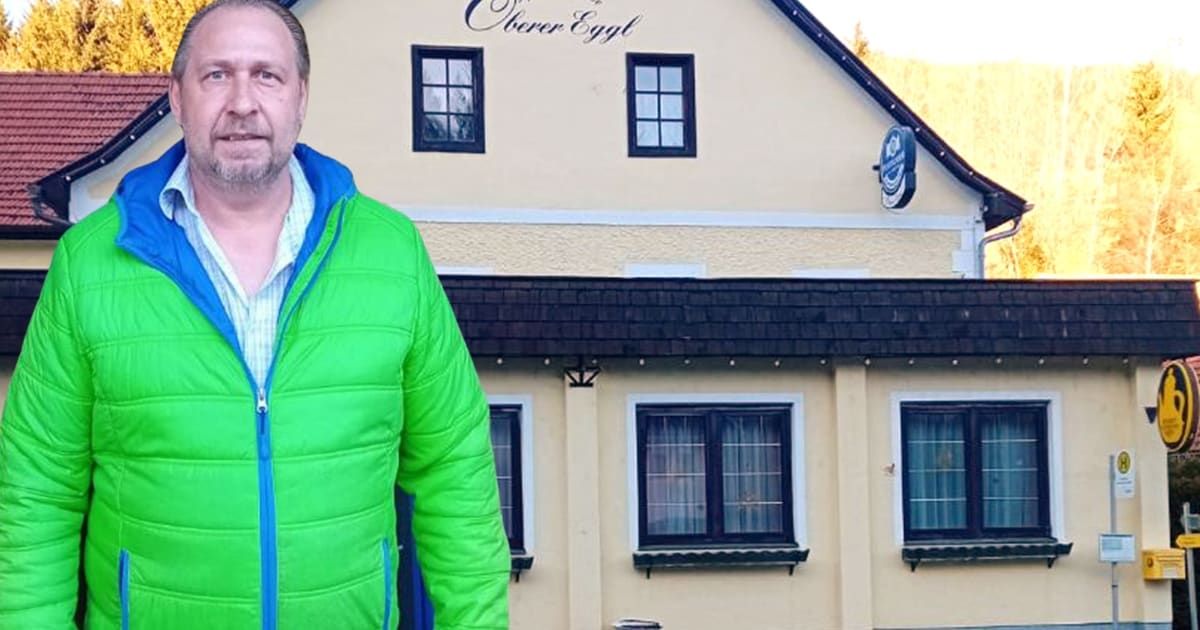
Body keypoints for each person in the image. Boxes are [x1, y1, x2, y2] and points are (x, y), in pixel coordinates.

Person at [0, 1, 510, 628]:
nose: (242, 101)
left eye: (267, 75)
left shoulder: (391, 252)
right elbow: (35, 494)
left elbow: (455, 470)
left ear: (301, 97)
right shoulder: (90, 264)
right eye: (216, 75)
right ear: (178, 97)